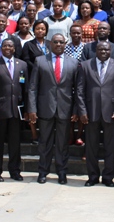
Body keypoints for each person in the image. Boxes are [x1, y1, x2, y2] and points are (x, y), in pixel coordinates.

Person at [28, 34, 79, 185]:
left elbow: (78, 89)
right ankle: (43, 172)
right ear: (50, 44)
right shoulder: (40, 61)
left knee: (63, 143)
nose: (58, 44)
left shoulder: (74, 63)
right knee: (44, 142)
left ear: (65, 44)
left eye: (61, 42)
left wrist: (76, 110)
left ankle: (62, 172)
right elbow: (32, 87)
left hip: (65, 108)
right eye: (55, 42)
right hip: (45, 108)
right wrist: (32, 108)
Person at [77, 41, 114, 187]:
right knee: (91, 147)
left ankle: (108, 177)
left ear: (110, 51)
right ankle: (92, 176)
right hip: (91, 112)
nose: (103, 51)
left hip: (111, 113)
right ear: (95, 50)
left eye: (106, 49)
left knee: (111, 147)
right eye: (100, 49)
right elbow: (80, 91)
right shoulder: (85, 65)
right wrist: (82, 111)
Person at [0, 39, 28, 182]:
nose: (7, 48)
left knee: (15, 143)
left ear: (15, 48)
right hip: (0, 110)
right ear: (1, 48)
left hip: (17, 110)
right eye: (4, 45)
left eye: (10, 46)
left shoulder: (22, 64)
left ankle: (15, 171)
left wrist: (27, 109)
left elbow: (25, 88)